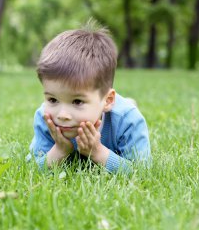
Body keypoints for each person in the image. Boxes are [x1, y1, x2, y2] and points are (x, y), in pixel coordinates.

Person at [28, 21, 151, 174]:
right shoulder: (45, 117)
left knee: (125, 108)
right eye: (53, 100)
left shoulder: (128, 120)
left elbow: (142, 172)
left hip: (118, 111)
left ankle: (127, 101)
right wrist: (59, 151)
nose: (62, 115)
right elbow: (30, 171)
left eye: (77, 101)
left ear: (107, 101)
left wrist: (97, 151)